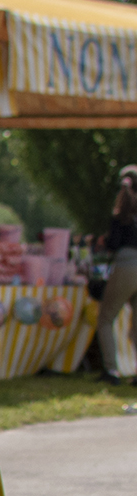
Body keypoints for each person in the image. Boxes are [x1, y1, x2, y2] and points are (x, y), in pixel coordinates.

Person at [96, 163, 137, 385]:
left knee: (105, 318)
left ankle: (111, 370)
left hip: (127, 266)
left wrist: (102, 241)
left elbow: (113, 243)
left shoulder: (122, 215)